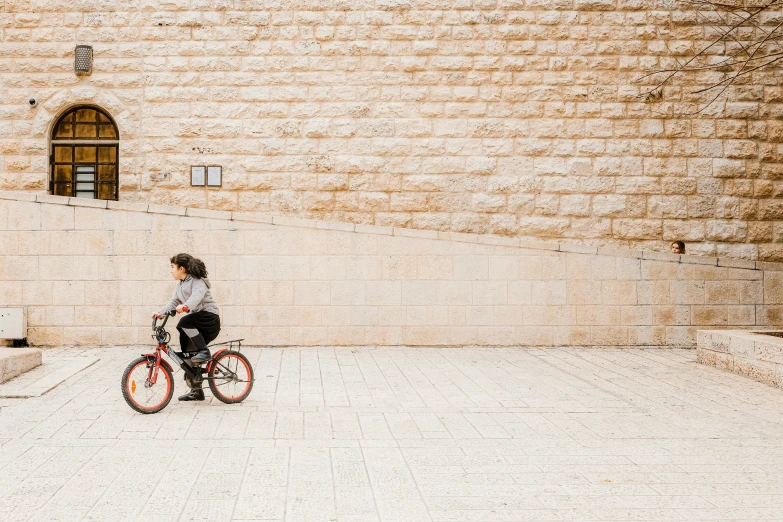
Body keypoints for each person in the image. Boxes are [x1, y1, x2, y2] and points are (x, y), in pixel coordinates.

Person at [153, 253, 221, 401]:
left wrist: (185, 307)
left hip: (209, 318)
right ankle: (196, 391)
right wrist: (160, 313)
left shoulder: (198, 281)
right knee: (187, 351)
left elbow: (196, 297)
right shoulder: (180, 285)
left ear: (181, 268)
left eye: (172, 267)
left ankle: (204, 351)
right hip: (197, 321)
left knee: (184, 322)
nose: (171, 270)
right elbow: (173, 302)